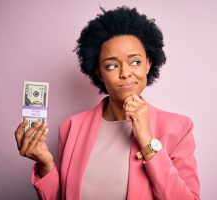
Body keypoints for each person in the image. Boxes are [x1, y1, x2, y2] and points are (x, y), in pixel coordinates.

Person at [14, 6, 200, 200]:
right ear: (99, 73)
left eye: (135, 62)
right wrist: (46, 166)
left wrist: (146, 140)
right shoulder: (71, 127)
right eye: (112, 65)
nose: (125, 73)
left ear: (148, 64)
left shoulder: (178, 128)